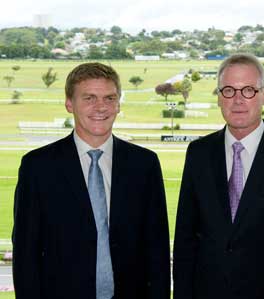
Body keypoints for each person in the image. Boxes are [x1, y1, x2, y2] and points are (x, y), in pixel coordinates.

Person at [12, 62, 170, 299]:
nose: (101, 107)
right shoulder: (38, 167)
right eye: (89, 98)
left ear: (118, 104)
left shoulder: (144, 164)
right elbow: (26, 253)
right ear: (69, 103)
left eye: (109, 98)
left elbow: (157, 248)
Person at [173, 53, 264, 299]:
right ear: (219, 98)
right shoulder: (198, 154)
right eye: (229, 91)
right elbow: (185, 240)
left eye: (249, 91)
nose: (238, 100)